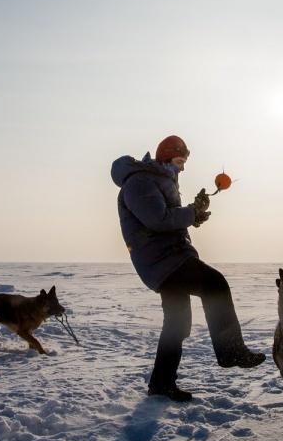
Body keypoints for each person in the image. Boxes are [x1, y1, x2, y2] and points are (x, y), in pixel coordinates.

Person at [111, 135, 265, 402]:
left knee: (177, 324)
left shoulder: (160, 180)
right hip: (164, 261)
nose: (183, 167)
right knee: (214, 283)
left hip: (167, 259)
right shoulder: (139, 181)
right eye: (180, 161)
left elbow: (168, 218)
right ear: (167, 156)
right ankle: (231, 351)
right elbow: (158, 220)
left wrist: (194, 211)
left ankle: (161, 384)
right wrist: (191, 214)